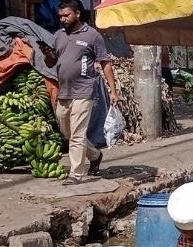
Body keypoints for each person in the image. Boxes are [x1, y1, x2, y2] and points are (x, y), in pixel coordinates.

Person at [47, 0, 119, 185]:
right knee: (68, 132)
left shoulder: (92, 36)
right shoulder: (59, 36)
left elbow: (105, 62)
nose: (63, 19)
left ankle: (76, 174)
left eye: (66, 15)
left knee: (78, 134)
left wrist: (113, 91)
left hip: (84, 90)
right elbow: (51, 62)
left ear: (77, 14)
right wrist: (47, 53)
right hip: (64, 92)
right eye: (61, 16)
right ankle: (95, 155)